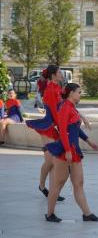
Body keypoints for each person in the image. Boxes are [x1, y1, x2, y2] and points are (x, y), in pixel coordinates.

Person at [44, 83, 98, 223]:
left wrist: (88, 141)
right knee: (58, 183)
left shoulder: (72, 107)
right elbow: (62, 130)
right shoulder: (65, 108)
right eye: (79, 92)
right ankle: (50, 214)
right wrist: (68, 151)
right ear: (71, 93)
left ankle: (87, 214)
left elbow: (75, 129)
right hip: (65, 151)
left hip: (73, 150)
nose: (80, 95)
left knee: (79, 183)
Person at [26, 65, 66, 201]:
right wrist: (61, 127)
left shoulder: (57, 88)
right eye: (59, 72)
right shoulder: (50, 89)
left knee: (54, 161)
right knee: (50, 161)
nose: (61, 73)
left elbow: (61, 108)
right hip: (48, 126)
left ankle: (53, 191)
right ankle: (42, 186)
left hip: (53, 126)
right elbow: (54, 111)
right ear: (53, 75)